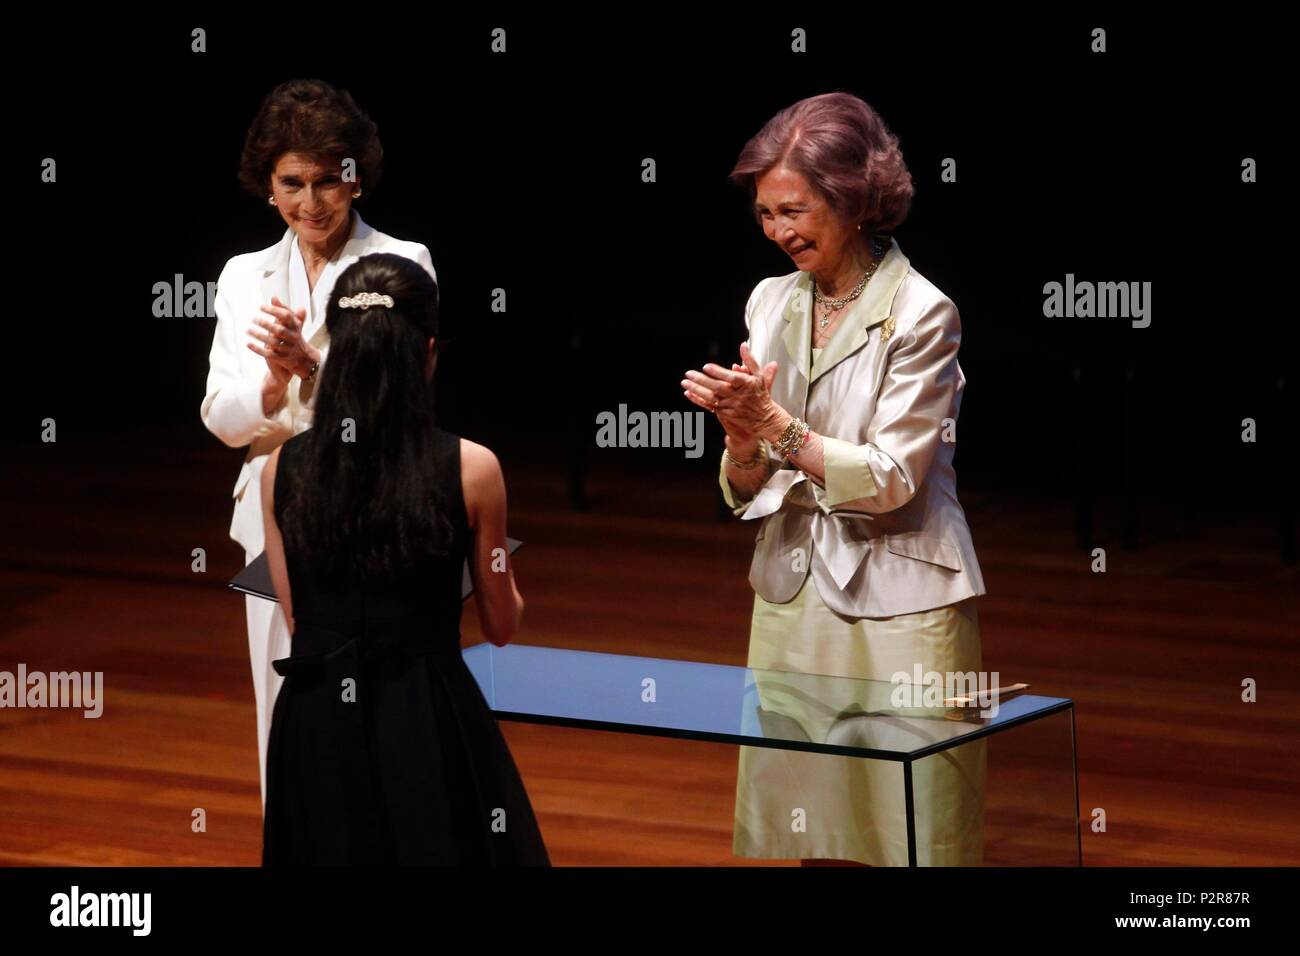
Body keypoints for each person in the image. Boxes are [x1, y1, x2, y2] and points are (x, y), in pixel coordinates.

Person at [681, 91, 988, 866]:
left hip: (901, 598)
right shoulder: (768, 300)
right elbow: (748, 484)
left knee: (913, 820)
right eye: (764, 214)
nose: (778, 231)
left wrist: (777, 427)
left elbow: (891, 479)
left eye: (794, 210)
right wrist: (742, 441)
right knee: (794, 809)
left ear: (852, 202)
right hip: (792, 593)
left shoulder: (923, 314)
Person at [258, 252, 550, 865]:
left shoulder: (280, 468)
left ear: (334, 348)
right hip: (424, 714)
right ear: (429, 351)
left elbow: (296, 621)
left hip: (314, 720)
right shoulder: (474, 468)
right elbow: (501, 625)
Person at [199, 78, 436, 810]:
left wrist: (311, 371)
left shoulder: (405, 259)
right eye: (293, 183)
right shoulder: (243, 276)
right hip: (273, 517)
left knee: (374, 708)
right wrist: (270, 389)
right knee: (282, 707)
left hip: (376, 514)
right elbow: (221, 417)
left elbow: (401, 402)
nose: (312, 202)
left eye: (330, 180)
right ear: (267, 186)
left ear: (356, 174)